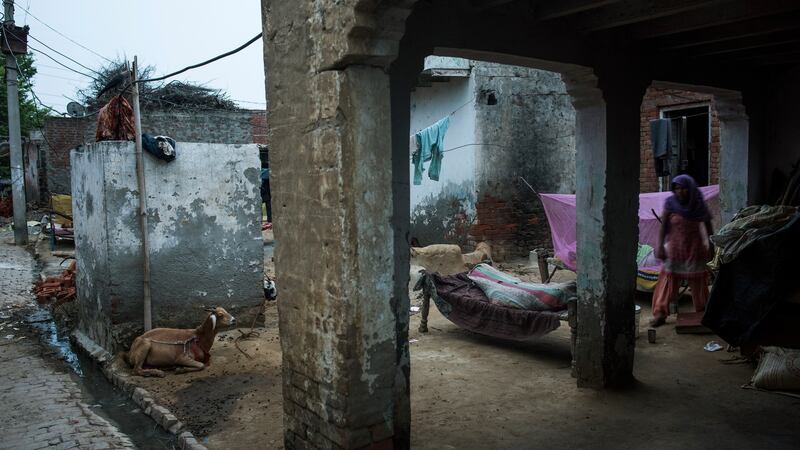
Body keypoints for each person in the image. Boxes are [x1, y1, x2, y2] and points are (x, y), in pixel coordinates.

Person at [650, 174, 714, 327]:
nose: (680, 191)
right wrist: (659, 246)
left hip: (695, 249)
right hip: (675, 249)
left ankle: (703, 312)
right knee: (668, 281)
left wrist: (712, 247)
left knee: (698, 283)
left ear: (690, 189)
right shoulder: (670, 203)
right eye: (677, 188)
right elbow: (663, 227)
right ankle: (660, 313)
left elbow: (708, 227)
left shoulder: (698, 204)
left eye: (684, 188)